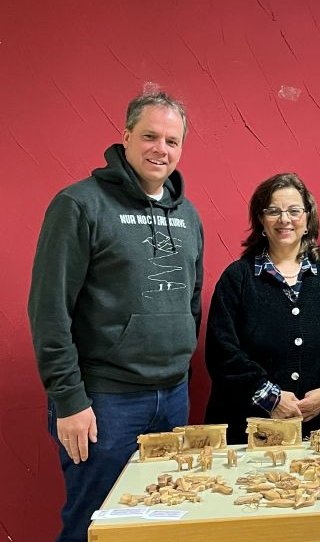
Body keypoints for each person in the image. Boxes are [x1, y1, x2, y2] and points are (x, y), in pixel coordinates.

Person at [28, 91, 204, 542]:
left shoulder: (187, 215)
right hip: (104, 402)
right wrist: (69, 399)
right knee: (96, 525)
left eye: (171, 140)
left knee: (163, 520)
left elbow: (192, 300)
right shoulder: (79, 205)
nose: (160, 149)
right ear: (125, 136)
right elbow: (49, 310)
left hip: (174, 395)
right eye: (149, 136)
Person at [205, 173, 320, 443]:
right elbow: (221, 353)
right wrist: (271, 398)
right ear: (260, 220)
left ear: (307, 219)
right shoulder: (237, 279)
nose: (285, 220)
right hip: (250, 433)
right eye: (273, 211)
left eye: (294, 211)